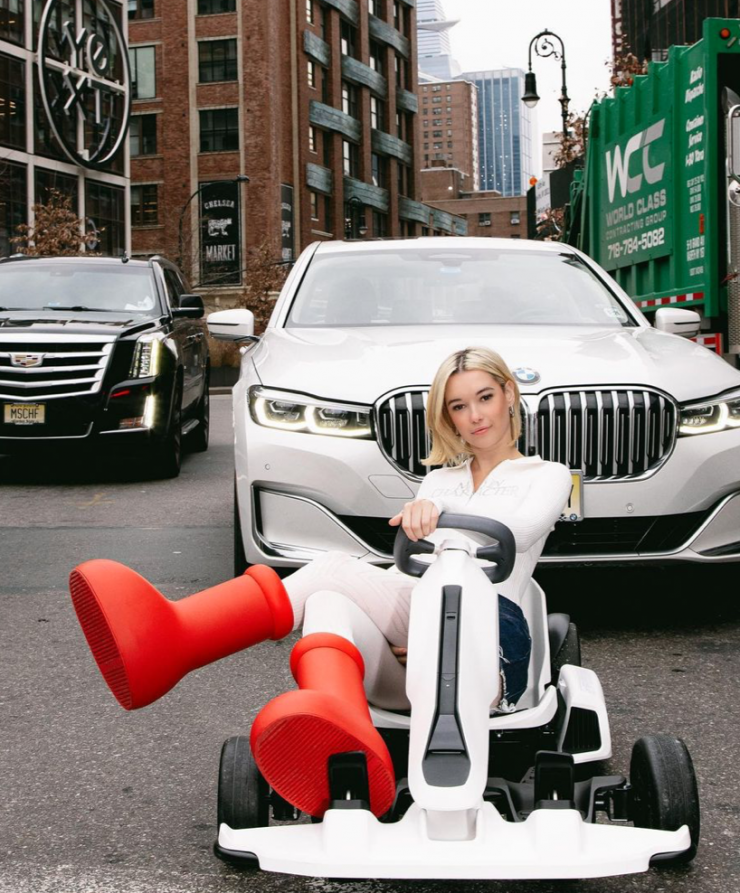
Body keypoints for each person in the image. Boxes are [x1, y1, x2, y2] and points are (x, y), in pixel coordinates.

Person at [68, 347, 572, 822]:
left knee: (336, 571)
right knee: (330, 596)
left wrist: (438, 512)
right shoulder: (440, 479)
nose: (476, 415)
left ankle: (181, 636)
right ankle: (347, 737)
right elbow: (409, 571)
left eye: (485, 397)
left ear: (509, 394)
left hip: (490, 640)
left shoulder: (546, 475)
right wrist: (406, 623)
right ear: (449, 417)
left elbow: (519, 530)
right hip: (418, 637)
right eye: (459, 406)